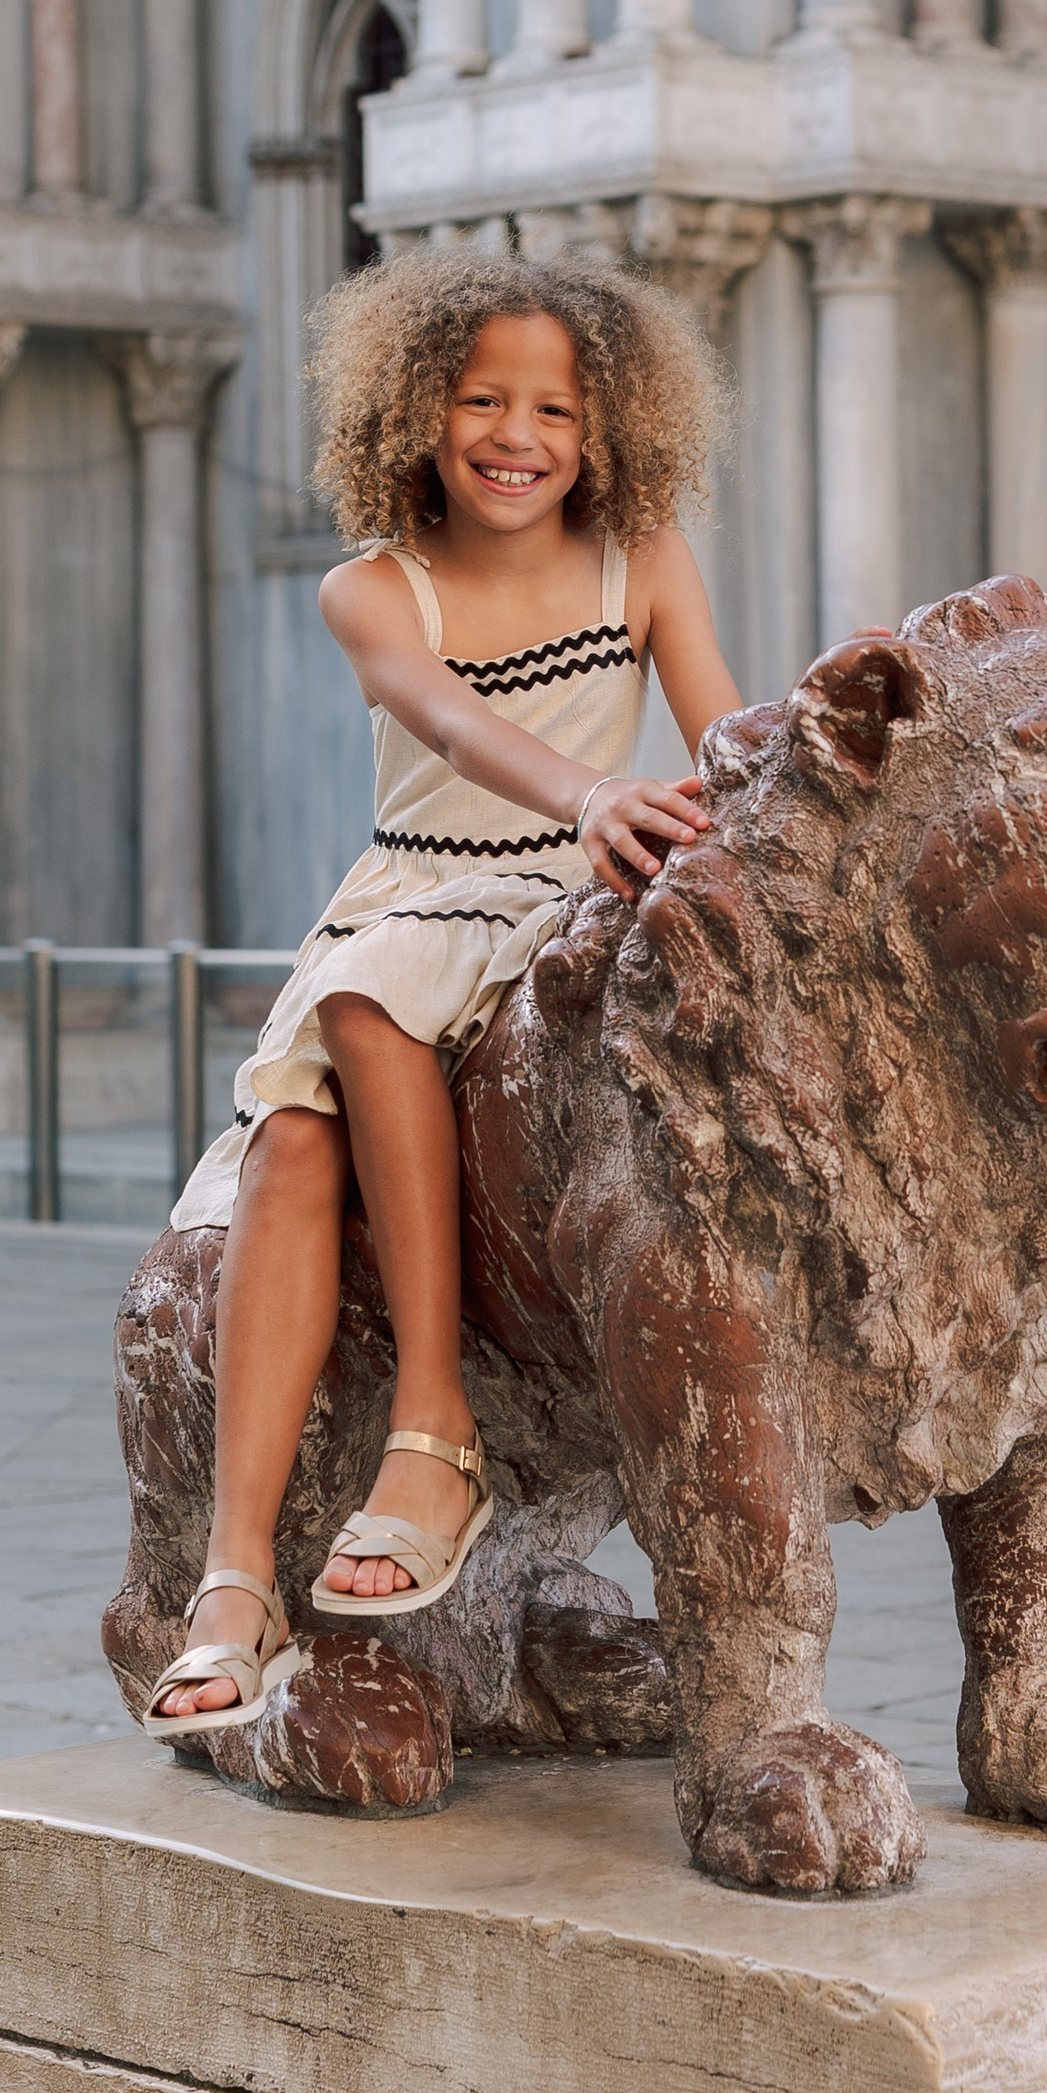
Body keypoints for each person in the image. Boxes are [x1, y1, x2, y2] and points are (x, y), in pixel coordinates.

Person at [138, 244, 741, 1733]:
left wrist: (734, 814)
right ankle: (239, 1569)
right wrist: (593, 783)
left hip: (566, 891)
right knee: (304, 1112)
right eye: (482, 399)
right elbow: (449, 722)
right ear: (417, 409)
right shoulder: (372, 590)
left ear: (608, 431)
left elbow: (731, 740)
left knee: (360, 1012)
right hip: (417, 888)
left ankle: (432, 1427)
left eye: (555, 409)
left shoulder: (647, 559)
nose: (517, 436)